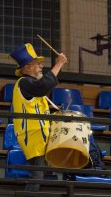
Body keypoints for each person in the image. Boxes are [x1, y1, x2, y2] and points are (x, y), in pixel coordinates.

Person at [10, 43, 68, 196]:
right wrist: (59, 63)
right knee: (36, 178)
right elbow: (44, 85)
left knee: (41, 177)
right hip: (33, 136)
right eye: (38, 64)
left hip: (40, 136)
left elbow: (41, 103)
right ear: (28, 67)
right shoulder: (24, 83)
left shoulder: (31, 85)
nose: (41, 67)